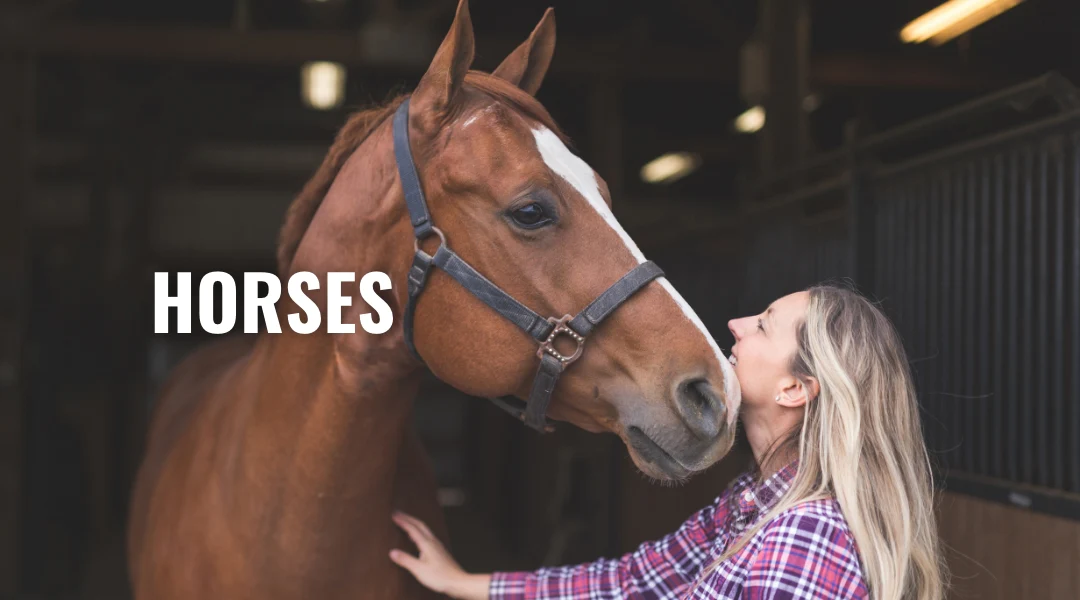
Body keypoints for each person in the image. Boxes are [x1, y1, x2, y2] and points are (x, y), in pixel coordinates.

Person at [389, 285, 948, 600]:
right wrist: (469, 584)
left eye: (764, 324)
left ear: (795, 389)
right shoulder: (751, 504)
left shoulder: (803, 541)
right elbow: (633, 581)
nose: (735, 321)